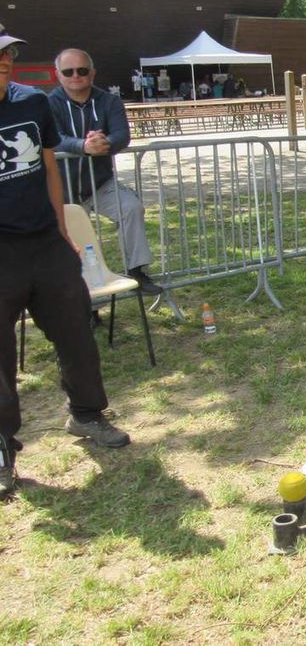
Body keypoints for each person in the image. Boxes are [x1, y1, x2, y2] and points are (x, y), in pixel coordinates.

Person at [0, 25, 130, 498]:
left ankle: (87, 415)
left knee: (77, 333)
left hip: (46, 244)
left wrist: (60, 228)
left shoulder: (32, 104)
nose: (5, 60)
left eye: (8, 53)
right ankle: (2, 448)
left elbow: (50, 167)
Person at [48, 49, 162, 295]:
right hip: (63, 188)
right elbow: (52, 138)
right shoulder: (48, 103)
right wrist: (82, 146)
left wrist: (103, 143)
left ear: (93, 73)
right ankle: (86, 299)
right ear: (57, 75)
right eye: (68, 71)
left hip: (99, 184)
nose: (76, 75)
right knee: (75, 237)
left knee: (131, 207)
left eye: (82, 70)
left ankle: (137, 272)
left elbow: (122, 135)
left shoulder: (109, 101)